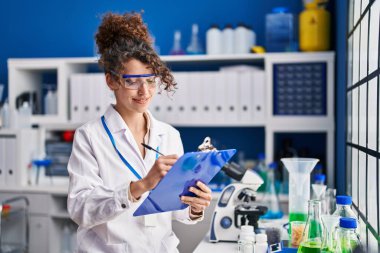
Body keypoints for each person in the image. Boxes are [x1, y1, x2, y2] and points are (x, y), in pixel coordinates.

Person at [67, 12, 212, 253]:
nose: (144, 91)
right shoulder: (90, 136)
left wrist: (194, 207)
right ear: (112, 81)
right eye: (133, 81)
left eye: (151, 80)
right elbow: (81, 210)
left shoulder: (169, 135)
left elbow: (176, 210)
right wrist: (141, 185)